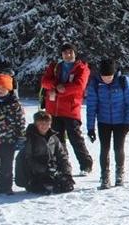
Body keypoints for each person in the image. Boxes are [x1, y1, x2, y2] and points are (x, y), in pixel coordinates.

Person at [40, 42, 93, 175]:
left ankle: (86, 165)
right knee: (57, 141)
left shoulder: (82, 68)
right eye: (65, 53)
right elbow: (44, 82)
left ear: (75, 53)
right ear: (61, 54)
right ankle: (62, 165)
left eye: (70, 52)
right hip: (53, 109)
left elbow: (79, 86)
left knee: (75, 138)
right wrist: (57, 85)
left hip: (71, 109)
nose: (68, 55)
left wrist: (60, 90)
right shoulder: (55, 66)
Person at [86, 58, 129, 189]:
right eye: (104, 76)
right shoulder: (95, 84)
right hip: (103, 122)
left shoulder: (123, 82)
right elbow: (91, 106)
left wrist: (128, 122)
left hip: (121, 122)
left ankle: (119, 174)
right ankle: (104, 176)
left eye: (109, 76)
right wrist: (90, 128)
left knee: (118, 148)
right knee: (104, 149)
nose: (106, 79)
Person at [14, 111, 75, 195]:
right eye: (41, 124)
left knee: (66, 186)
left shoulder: (54, 138)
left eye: (47, 123)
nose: (44, 126)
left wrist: (66, 173)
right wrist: (44, 170)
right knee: (42, 189)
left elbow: (62, 156)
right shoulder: (30, 139)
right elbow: (28, 159)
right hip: (35, 172)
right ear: (36, 124)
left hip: (51, 169)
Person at [0, 73, 25, 195]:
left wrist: (21, 136)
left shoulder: (14, 104)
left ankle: (5, 187)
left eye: (3, 88)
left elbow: (20, 122)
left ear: (9, 88)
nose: (1, 90)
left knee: (6, 166)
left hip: (9, 141)